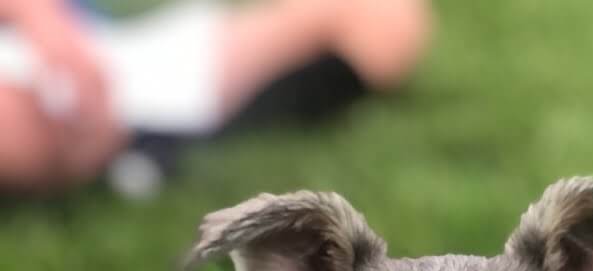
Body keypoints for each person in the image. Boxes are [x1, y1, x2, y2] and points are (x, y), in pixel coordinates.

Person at [0, 0, 431, 192]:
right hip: (35, 84)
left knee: (385, 18)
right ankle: (152, 137)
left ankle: (166, 135)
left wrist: (48, 27)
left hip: (90, 45)